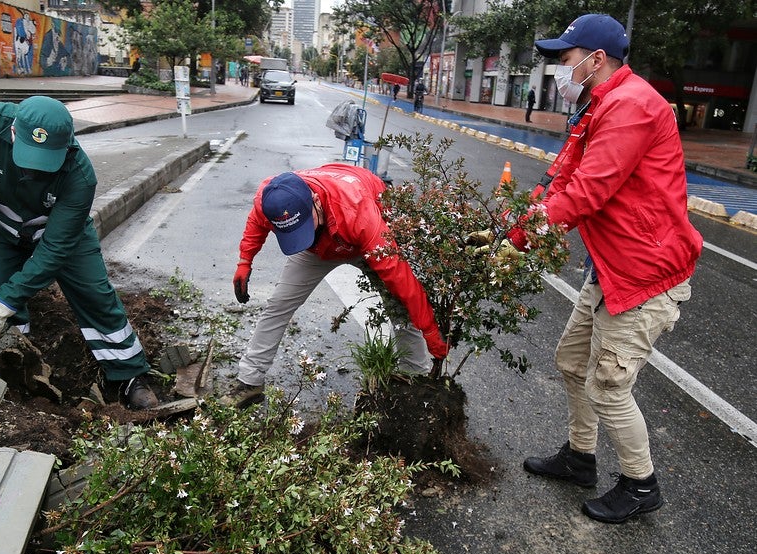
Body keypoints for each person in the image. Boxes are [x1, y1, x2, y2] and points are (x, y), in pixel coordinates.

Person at [492, 14, 702, 523]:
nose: (559, 71)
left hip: (645, 272)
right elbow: (566, 175)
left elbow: (590, 191)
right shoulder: (601, 103)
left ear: (595, 59)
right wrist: (515, 226)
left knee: (609, 385)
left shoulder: (631, 107)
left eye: (565, 60)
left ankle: (640, 484)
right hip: (612, 265)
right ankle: (580, 457)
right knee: (571, 361)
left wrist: (520, 241)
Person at [0, 96, 160, 410]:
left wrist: (7, 300)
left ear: (67, 147)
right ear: (12, 133)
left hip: (59, 233)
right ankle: (15, 366)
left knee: (95, 294)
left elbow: (54, 251)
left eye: (47, 161)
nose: (35, 171)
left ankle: (127, 372)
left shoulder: (80, 175)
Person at [229, 164, 449, 403]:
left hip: (358, 236)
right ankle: (250, 381)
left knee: (399, 306)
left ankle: (414, 375)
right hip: (316, 249)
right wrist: (244, 261)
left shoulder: (360, 213)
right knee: (278, 304)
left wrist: (430, 329)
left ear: (315, 201)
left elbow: (401, 279)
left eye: (303, 226)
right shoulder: (272, 199)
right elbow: (256, 223)